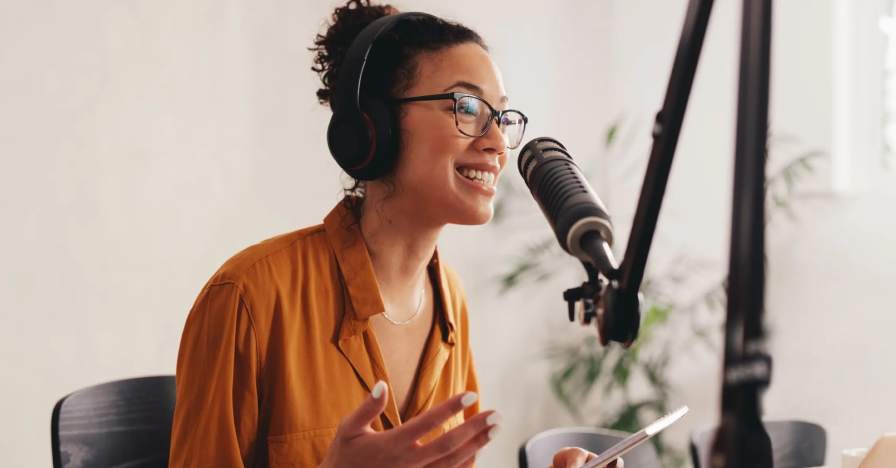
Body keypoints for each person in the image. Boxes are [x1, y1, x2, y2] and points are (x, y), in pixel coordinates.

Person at [169, 1, 618, 467]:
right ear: (373, 130)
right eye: (466, 107)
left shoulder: (450, 303)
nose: (496, 143)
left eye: (502, 118)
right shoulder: (250, 299)